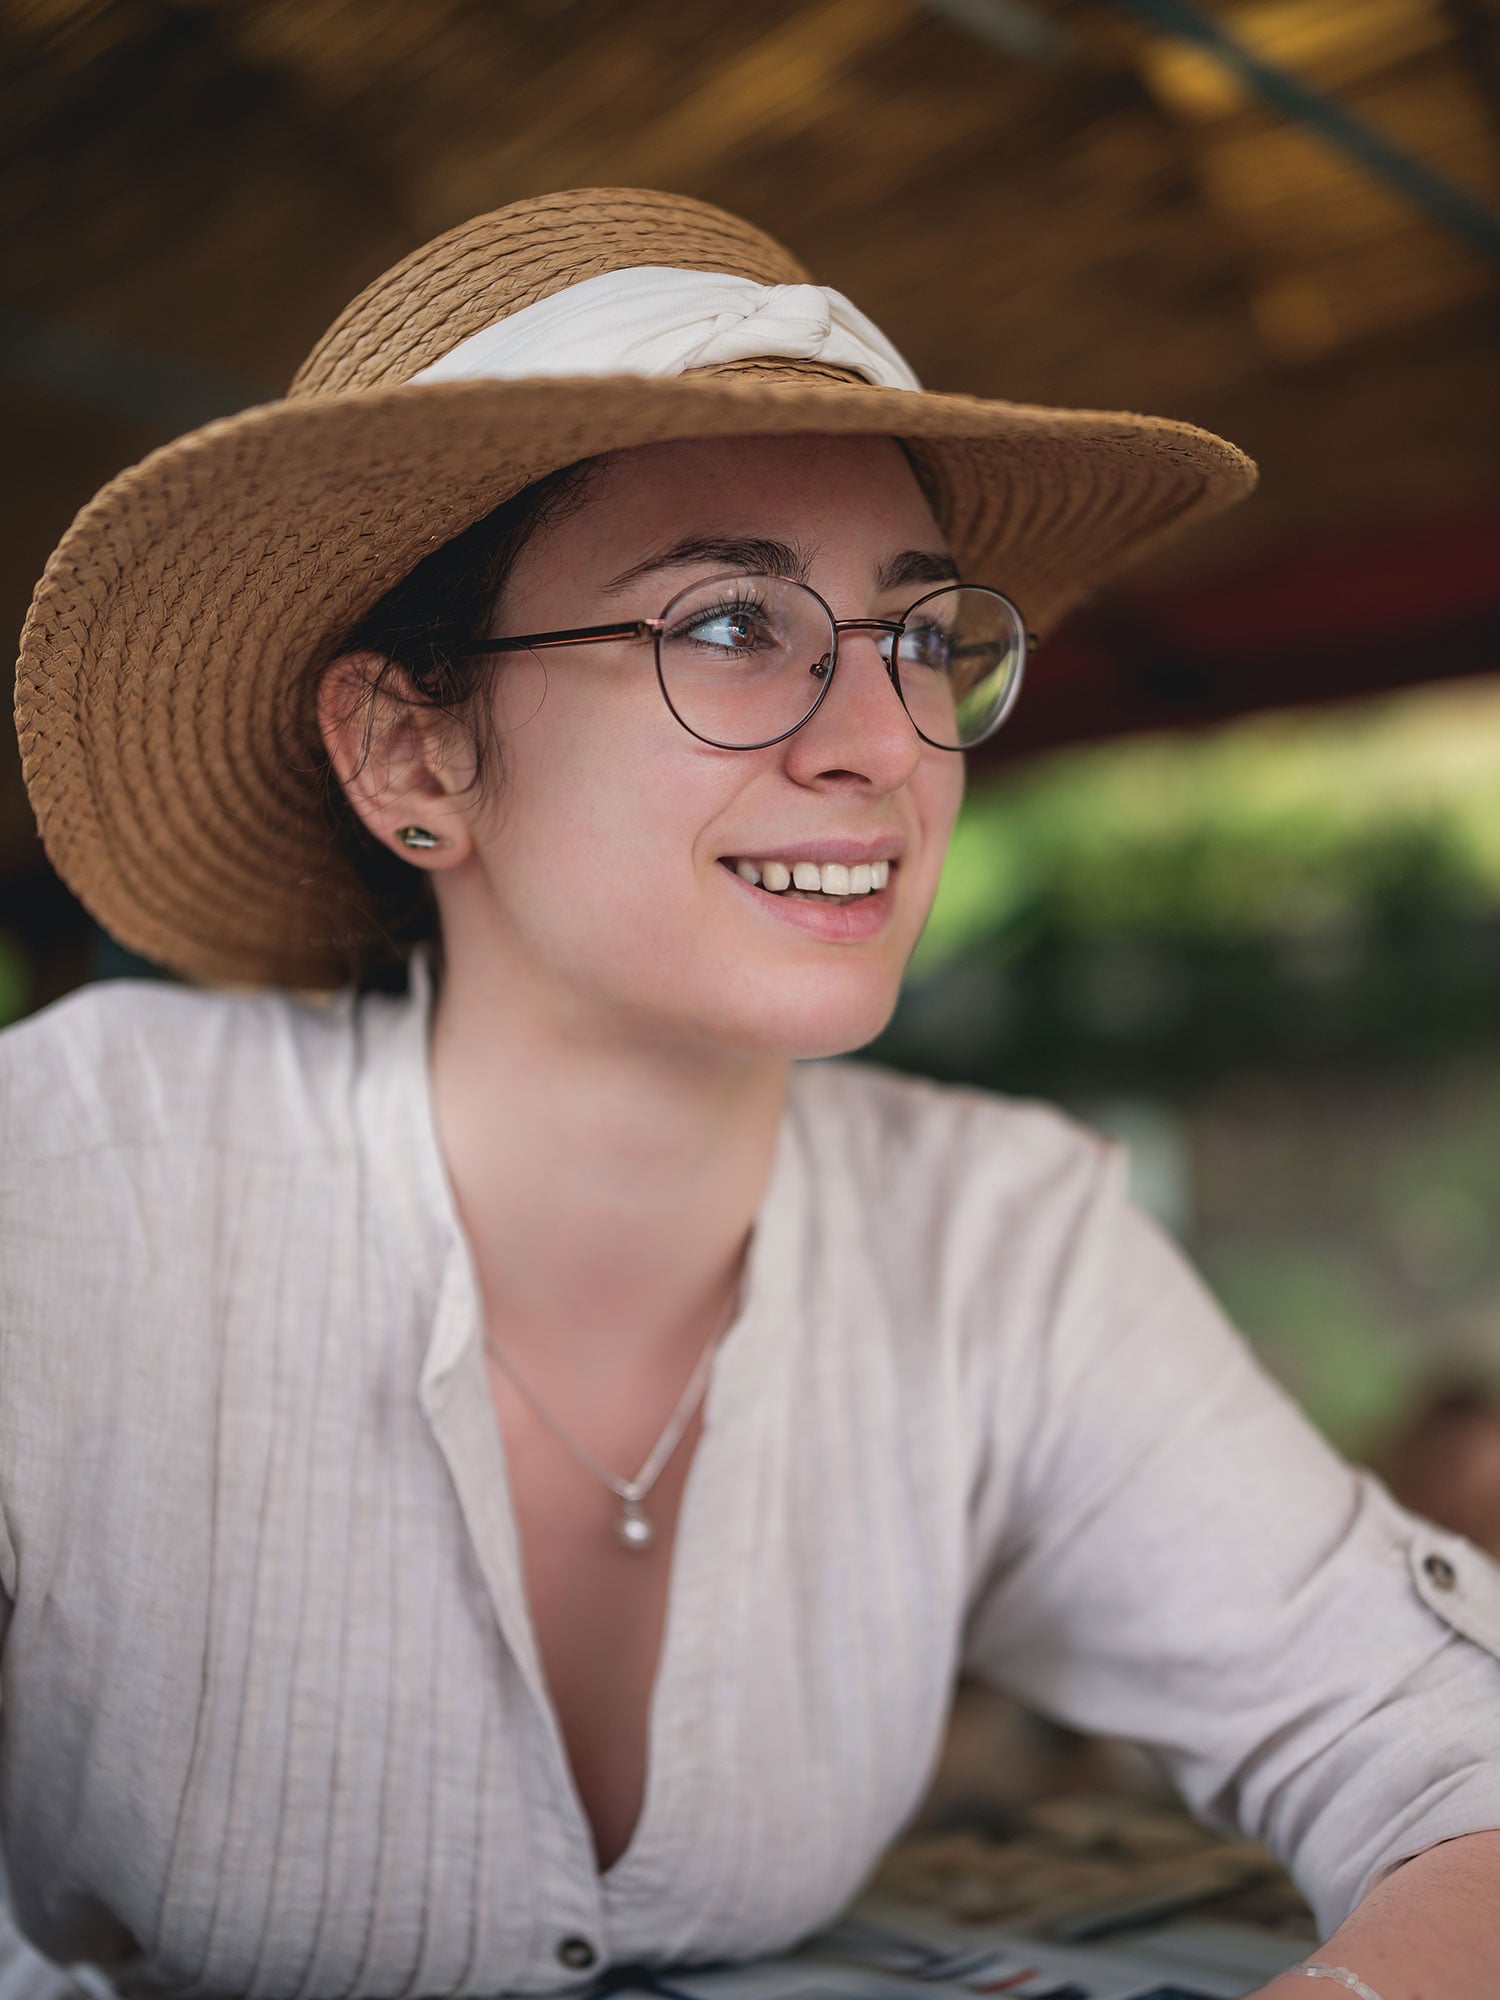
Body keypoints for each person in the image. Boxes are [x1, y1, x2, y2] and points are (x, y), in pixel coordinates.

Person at [2, 188, 1497, 2000]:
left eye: (919, 636)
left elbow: (1438, 1746)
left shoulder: (997, 1244)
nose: (882, 740)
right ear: (413, 751)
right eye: (726, 624)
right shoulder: (74, 1187)